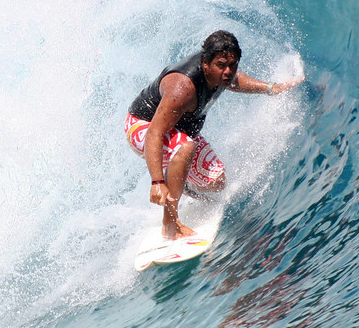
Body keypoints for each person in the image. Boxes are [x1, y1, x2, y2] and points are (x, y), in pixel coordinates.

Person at [125, 30, 304, 239]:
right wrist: (157, 182)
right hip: (143, 127)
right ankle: (170, 223)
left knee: (216, 183)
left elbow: (236, 80)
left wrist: (272, 88)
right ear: (205, 64)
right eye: (221, 65)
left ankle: (179, 183)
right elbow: (155, 133)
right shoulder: (182, 88)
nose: (227, 71)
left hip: (179, 131)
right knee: (185, 148)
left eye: (233, 65)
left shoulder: (221, 75)